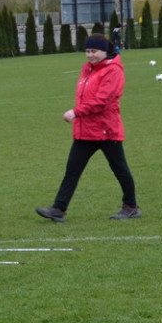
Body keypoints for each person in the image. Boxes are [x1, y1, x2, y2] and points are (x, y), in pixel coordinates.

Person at [36, 33, 141, 223]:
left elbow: (102, 100)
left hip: (106, 130)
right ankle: (58, 209)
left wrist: (76, 112)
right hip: (85, 131)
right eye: (87, 51)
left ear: (104, 51)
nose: (90, 55)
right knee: (72, 170)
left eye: (94, 51)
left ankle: (131, 206)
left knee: (119, 169)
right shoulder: (88, 69)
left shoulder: (113, 70)